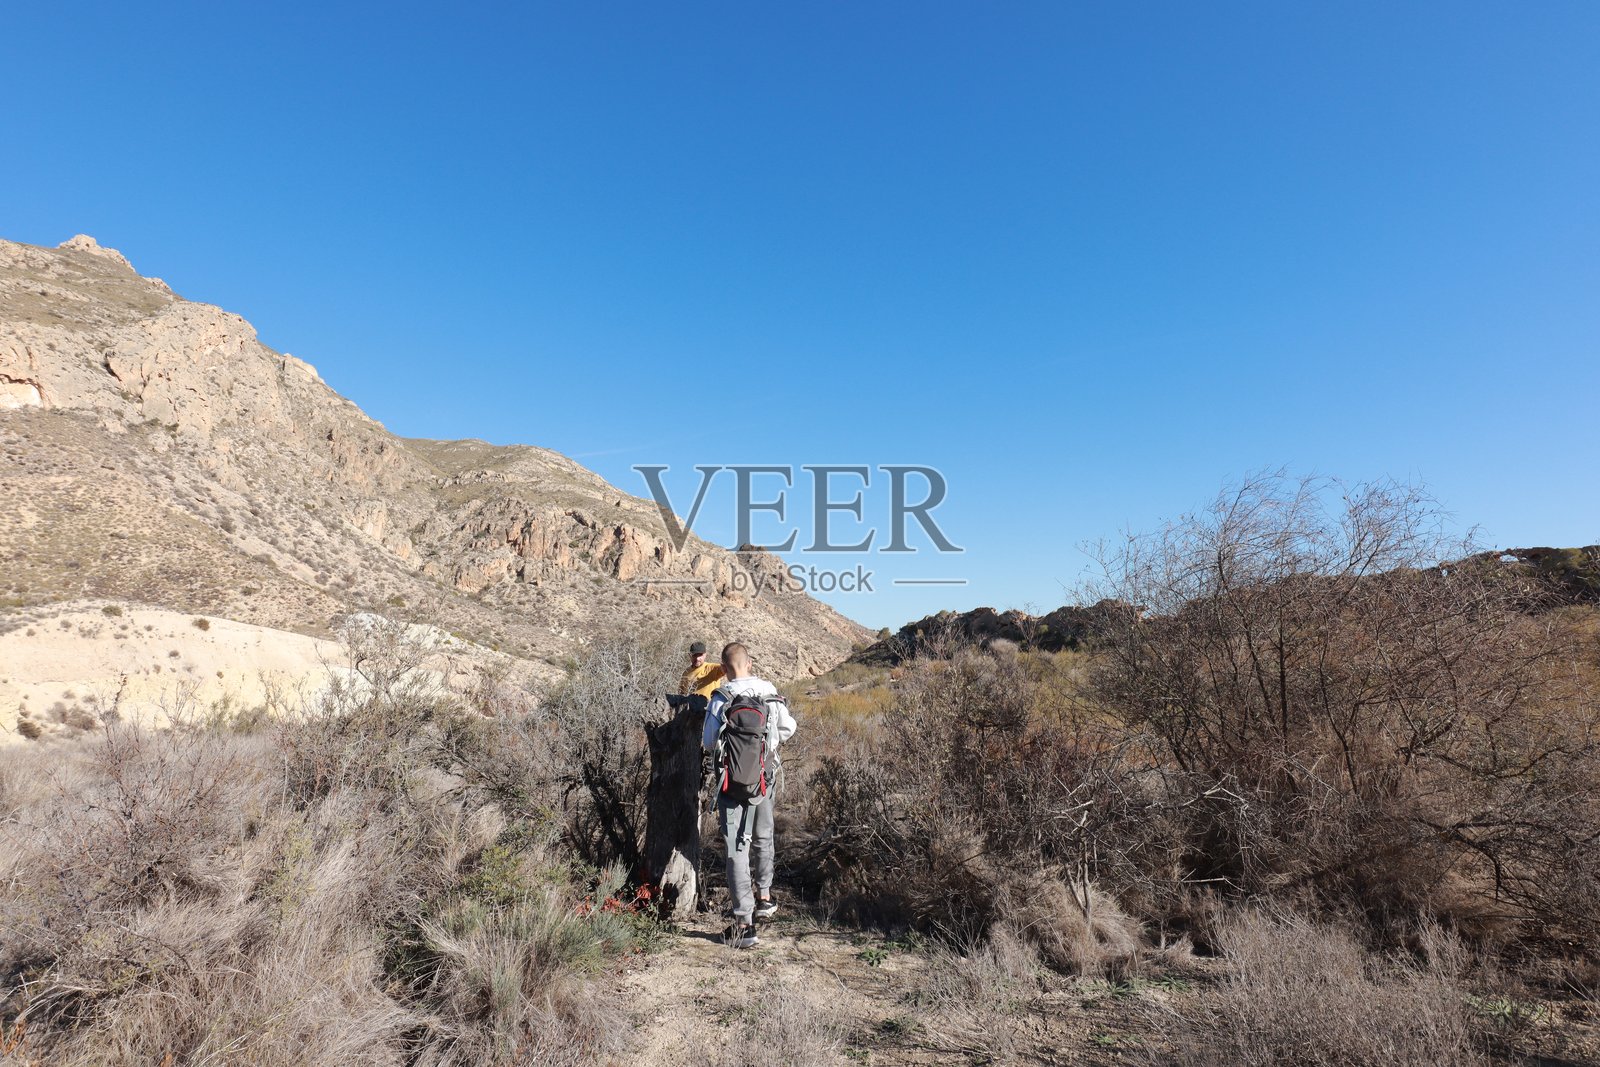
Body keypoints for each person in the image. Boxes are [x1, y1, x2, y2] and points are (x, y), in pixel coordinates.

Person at [702, 642, 796, 948]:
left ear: (724, 668)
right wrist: (766, 747)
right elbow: (788, 727)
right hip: (763, 780)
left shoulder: (721, 696)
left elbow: (707, 741)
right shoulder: (768, 690)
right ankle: (765, 897)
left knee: (736, 849)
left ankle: (744, 923)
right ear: (750, 663)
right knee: (763, 836)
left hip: (730, 785)